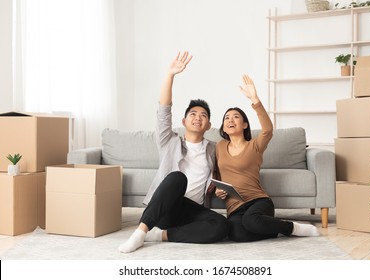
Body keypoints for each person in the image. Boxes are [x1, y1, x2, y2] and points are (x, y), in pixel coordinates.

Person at [118, 51, 228, 253]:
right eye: (193, 114)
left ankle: (160, 235)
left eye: (203, 115)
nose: (198, 117)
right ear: (184, 122)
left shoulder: (214, 148)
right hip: (165, 208)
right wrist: (170, 75)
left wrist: (219, 187)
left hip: (192, 211)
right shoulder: (169, 141)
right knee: (178, 178)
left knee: (221, 226)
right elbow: (163, 112)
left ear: (208, 125)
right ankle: (141, 232)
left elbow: (224, 172)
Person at [214, 74, 320, 242]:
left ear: (245, 125)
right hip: (234, 207)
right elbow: (215, 173)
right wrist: (216, 190)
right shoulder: (219, 146)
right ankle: (269, 228)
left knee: (251, 221)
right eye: (226, 118)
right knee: (236, 234)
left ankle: (291, 227)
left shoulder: (255, 145)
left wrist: (255, 100)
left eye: (235, 117)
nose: (230, 120)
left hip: (257, 201)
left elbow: (268, 130)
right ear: (223, 128)